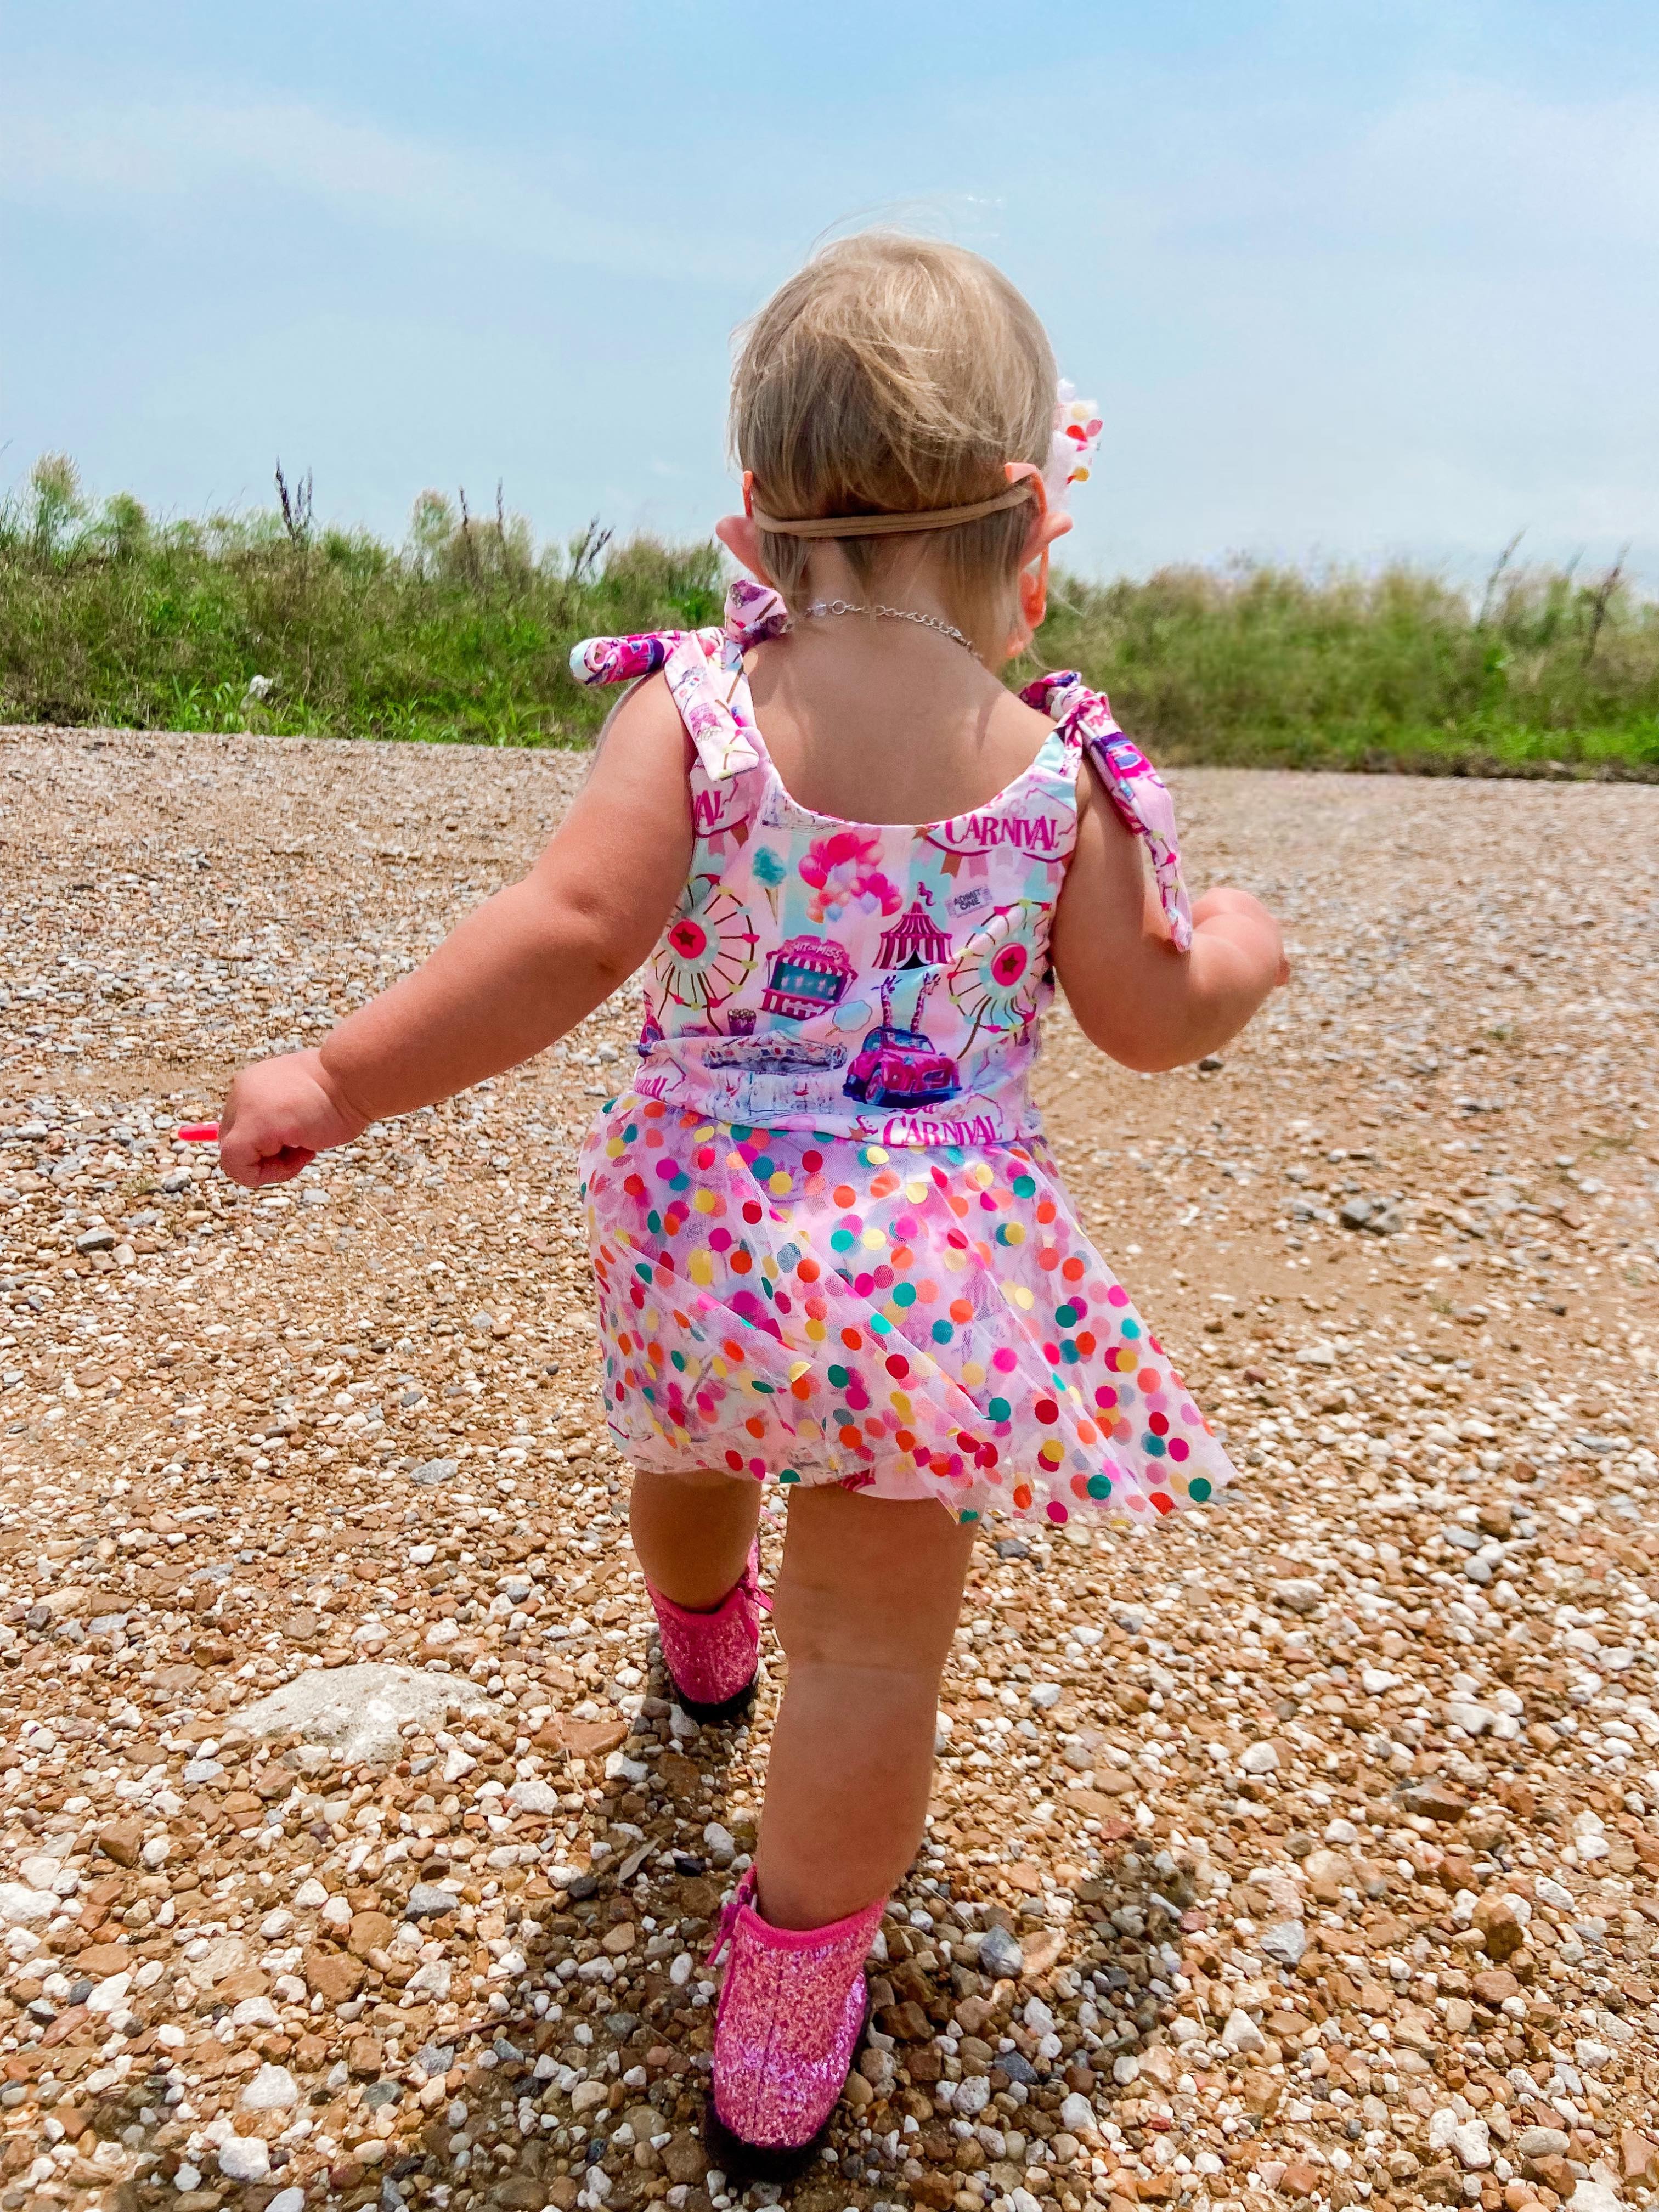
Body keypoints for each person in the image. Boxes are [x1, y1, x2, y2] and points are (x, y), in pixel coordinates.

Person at [217, 233, 1287, 2180]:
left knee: (694, 1448)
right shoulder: (1060, 772)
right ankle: (787, 2015)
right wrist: (1241, 954)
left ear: (754, 521)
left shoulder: (697, 707)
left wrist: (341, 1080)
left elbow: (565, 932)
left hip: (703, 1242)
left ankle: (702, 1633)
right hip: (929, 1278)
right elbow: (1147, 1019)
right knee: (871, 1661)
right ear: (1034, 529)